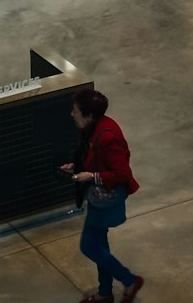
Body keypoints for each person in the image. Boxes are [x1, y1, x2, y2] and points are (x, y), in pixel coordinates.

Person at [62, 89, 143, 303]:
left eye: (75, 111)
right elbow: (95, 158)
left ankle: (129, 280)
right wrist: (78, 167)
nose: (72, 114)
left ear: (88, 116)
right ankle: (105, 294)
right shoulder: (95, 127)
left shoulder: (106, 136)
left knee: (88, 246)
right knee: (100, 245)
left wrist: (91, 176)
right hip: (98, 198)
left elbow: (122, 173)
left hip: (104, 199)